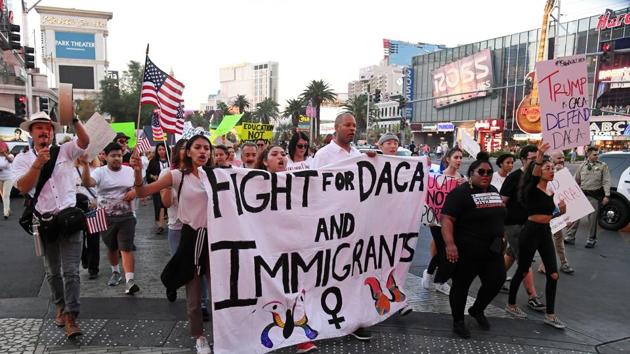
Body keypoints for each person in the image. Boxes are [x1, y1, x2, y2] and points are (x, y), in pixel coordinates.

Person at [131, 135, 213, 354]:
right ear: (188, 152)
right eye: (197, 147)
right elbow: (142, 193)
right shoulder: (177, 176)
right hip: (191, 239)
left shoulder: (216, 175)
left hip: (216, 241)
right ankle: (199, 336)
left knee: (220, 294)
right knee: (194, 297)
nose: (203, 151)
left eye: (207, 148)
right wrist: (138, 172)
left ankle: (225, 334)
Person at [13, 112, 89, 338]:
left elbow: (85, 142)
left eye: (48, 127)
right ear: (32, 133)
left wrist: (74, 119)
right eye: (39, 128)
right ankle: (59, 304)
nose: (44, 131)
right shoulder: (22, 159)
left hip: (69, 219)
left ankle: (71, 315)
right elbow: (23, 188)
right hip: (44, 222)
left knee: (71, 272)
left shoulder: (64, 151)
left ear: (53, 132)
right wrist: (37, 165)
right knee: (53, 273)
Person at [310, 112, 372, 342]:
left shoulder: (358, 155)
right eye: (347, 124)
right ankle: (324, 317)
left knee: (353, 273)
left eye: (354, 125)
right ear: (336, 127)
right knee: (330, 273)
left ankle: (352, 320)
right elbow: (313, 186)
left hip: (354, 225)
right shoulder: (323, 155)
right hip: (330, 226)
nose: (352, 128)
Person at [255, 144, 317, 353]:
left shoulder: (298, 181)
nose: (281, 157)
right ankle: (256, 334)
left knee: (294, 290)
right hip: (264, 248)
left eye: (283, 154)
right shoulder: (253, 183)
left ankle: (301, 339)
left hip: (291, 247)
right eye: (274, 154)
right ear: (264, 161)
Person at [441, 157, 507, 338]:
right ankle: (458, 322)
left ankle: (477, 309)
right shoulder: (460, 194)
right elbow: (446, 219)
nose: (486, 175)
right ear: (471, 174)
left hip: (492, 250)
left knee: (497, 279)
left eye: (489, 172)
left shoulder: (493, 190)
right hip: (467, 250)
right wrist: (450, 244)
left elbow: (500, 215)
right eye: (481, 172)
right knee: (461, 286)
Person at [507, 143, 567, 329]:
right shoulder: (531, 188)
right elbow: (534, 175)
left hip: (545, 232)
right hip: (530, 231)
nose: (551, 171)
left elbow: (548, 215)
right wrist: (540, 153)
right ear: (539, 171)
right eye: (547, 168)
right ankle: (511, 304)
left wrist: (561, 212)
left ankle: (550, 315)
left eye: (553, 168)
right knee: (523, 270)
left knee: (554, 274)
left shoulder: (550, 191)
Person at [81, 142, 140, 295]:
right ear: (105, 157)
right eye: (113, 156)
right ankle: (115, 272)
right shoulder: (100, 172)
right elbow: (87, 183)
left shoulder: (129, 170)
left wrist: (135, 191)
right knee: (112, 247)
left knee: (126, 248)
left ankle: (130, 281)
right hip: (105, 217)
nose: (117, 158)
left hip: (127, 216)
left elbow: (140, 185)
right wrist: (86, 165)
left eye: (119, 155)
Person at [499, 145, 545, 312]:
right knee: (524, 259)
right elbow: (502, 201)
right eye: (532, 159)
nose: (535, 162)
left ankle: (495, 279)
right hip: (513, 224)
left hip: (530, 224)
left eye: (537, 159)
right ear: (523, 160)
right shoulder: (514, 177)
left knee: (512, 254)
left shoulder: (538, 177)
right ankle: (532, 296)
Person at [422, 148, 466, 296]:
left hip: (454, 221)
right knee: (443, 250)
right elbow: (429, 198)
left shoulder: (462, 179)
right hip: (436, 220)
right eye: (456, 157)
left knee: (445, 251)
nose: (459, 160)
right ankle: (439, 281)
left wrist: (466, 185)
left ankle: (430, 275)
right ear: (448, 159)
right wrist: (428, 217)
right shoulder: (436, 177)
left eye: (461, 157)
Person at [564, 147, 611, 248]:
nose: (597, 156)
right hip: (582, 194)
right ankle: (570, 236)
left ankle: (591, 239)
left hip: (594, 195)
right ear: (588, 155)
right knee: (575, 217)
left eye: (597, 154)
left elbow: (606, 181)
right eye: (594, 154)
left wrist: (607, 195)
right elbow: (576, 180)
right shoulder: (582, 166)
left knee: (592, 220)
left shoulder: (603, 166)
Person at [539, 152, 574, 274]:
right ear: (551, 159)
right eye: (559, 158)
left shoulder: (565, 173)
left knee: (558, 238)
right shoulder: (541, 173)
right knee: (542, 240)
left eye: (563, 157)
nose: (562, 160)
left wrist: (569, 216)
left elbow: (572, 195)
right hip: (543, 214)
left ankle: (564, 263)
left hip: (557, 213)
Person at [75, 155, 101, 279]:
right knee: (78, 237)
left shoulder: (97, 169)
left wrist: (97, 201)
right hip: (76, 208)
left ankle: (93, 268)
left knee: (94, 239)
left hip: (93, 207)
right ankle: (84, 256)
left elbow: (101, 188)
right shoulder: (71, 169)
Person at [146, 143, 169, 234]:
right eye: (159, 150)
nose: (161, 151)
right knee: (158, 205)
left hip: (168, 186)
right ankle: (160, 225)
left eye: (163, 149)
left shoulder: (171, 161)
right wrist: (153, 177)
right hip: (157, 186)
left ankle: (168, 221)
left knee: (166, 204)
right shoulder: (154, 161)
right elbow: (148, 173)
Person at [0, 141, 14, 219]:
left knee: (6, 195)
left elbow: (10, 160)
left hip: (8, 178)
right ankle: (8, 209)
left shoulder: (10, 155)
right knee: (3, 196)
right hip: (0, 178)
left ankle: (6, 214)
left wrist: (5, 154)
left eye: (3, 147)